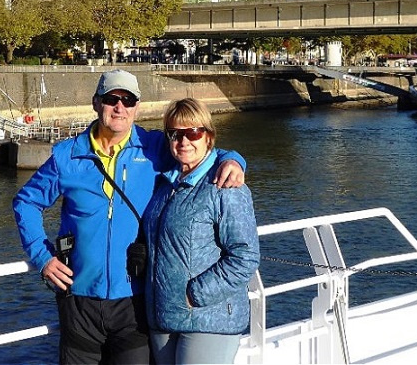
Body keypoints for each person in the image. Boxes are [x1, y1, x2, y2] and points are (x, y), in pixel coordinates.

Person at [13, 70, 247, 365]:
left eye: (128, 100)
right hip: (79, 298)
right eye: (112, 99)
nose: (119, 107)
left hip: (134, 300)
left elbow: (198, 148)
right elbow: (26, 202)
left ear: (137, 106)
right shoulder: (67, 156)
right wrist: (42, 256)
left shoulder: (153, 148)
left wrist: (233, 159)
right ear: (97, 103)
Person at [143, 98, 260, 365]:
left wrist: (194, 294)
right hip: (163, 315)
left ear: (208, 137)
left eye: (193, 132)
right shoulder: (164, 184)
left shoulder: (226, 186)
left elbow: (245, 257)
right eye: (175, 134)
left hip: (209, 318)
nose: (184, 141)